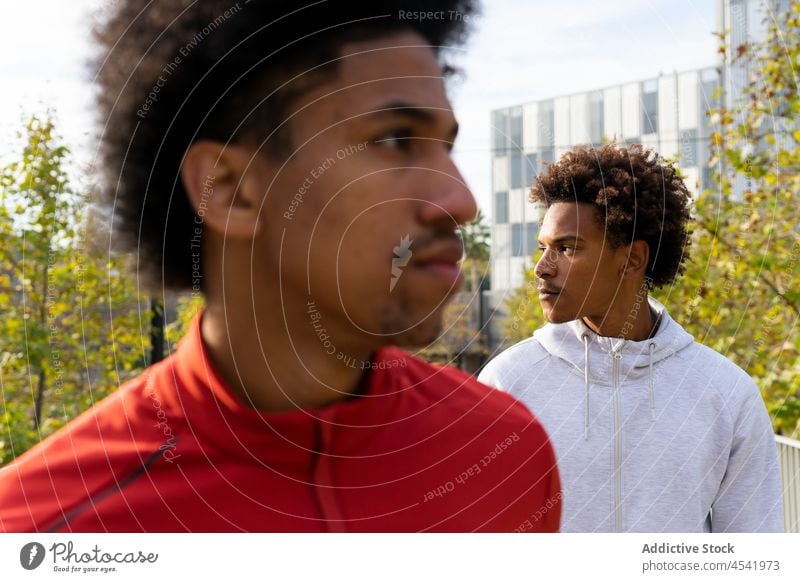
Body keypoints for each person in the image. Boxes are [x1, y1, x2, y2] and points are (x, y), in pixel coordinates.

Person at [0, 0, 561, 532]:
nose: (462, 201)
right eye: (394, 140)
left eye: (446, 147)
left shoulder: (506, 454)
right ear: (231, 190)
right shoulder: (52, 530)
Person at [479, 143, 783, 532]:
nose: (542, 268)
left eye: (567, 248)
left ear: (633, 259)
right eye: (544, 248)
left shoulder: (725, 393)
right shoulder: (507, 384)